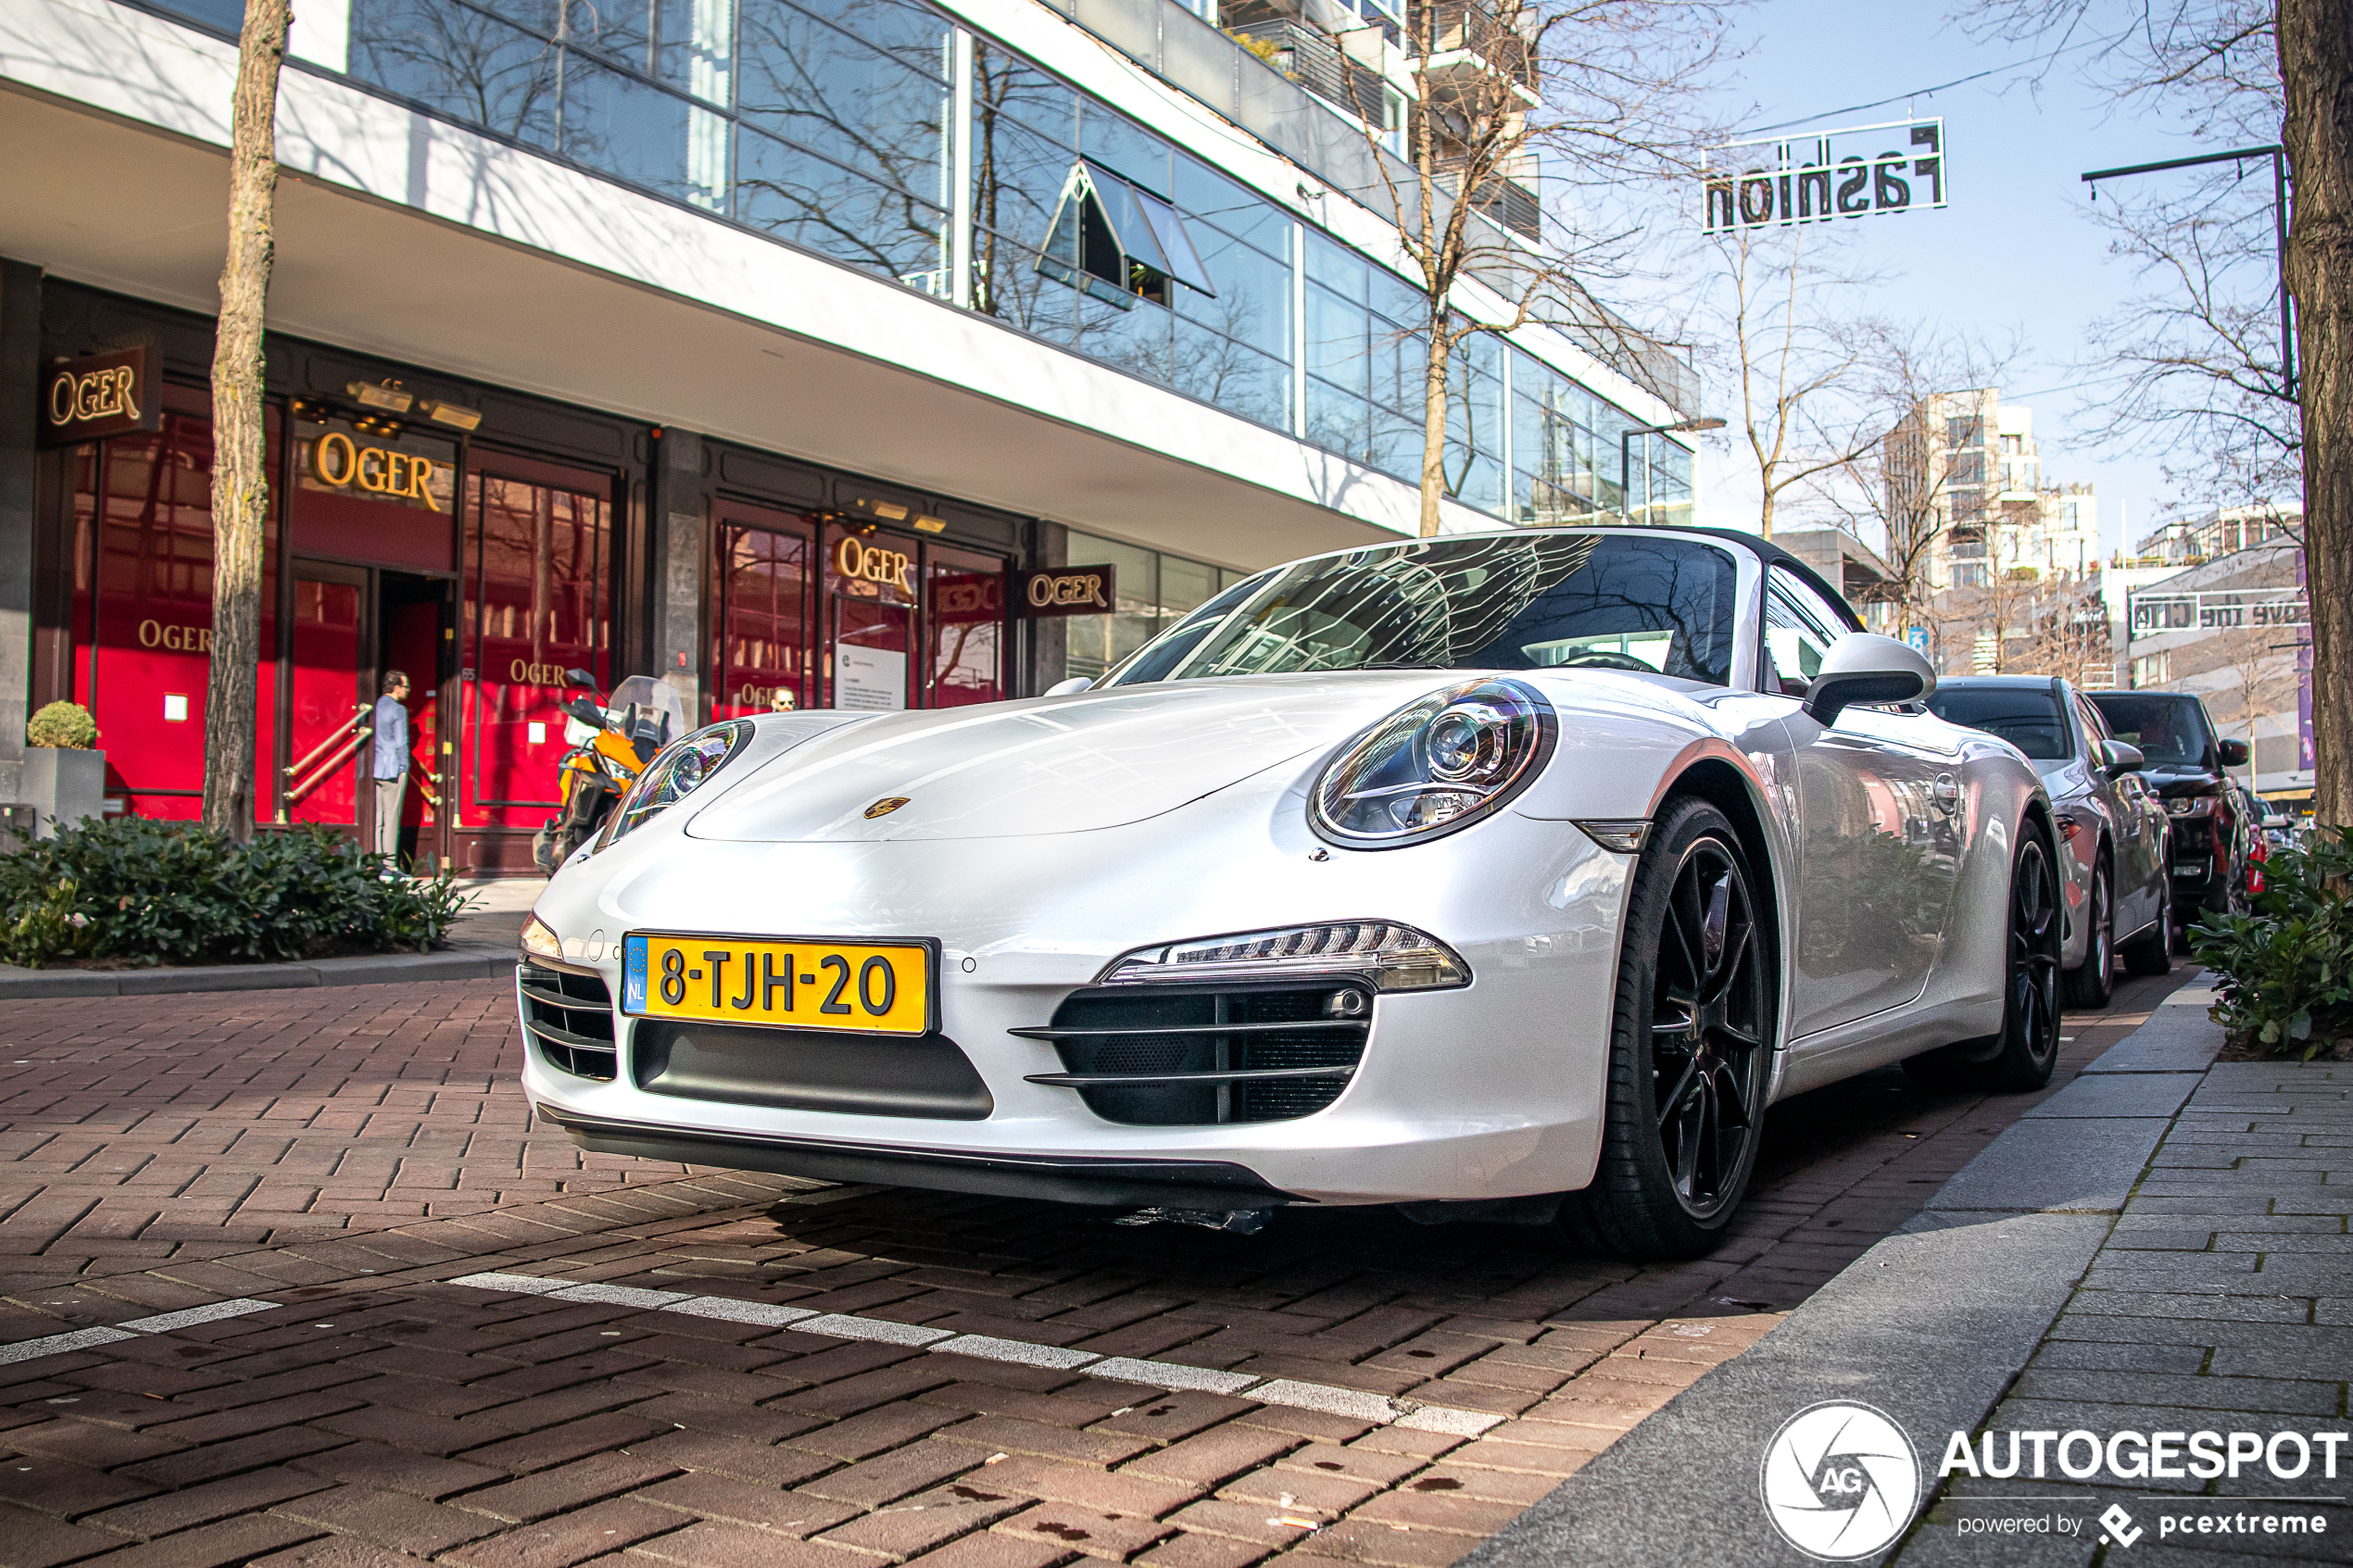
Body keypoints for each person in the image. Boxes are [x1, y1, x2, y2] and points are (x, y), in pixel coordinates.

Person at [371, 670, 411, 866]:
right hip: (393, 769)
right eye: (406, 687)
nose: (409, 690)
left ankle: (377, 861)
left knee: (378, 819)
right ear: (396, 688)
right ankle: (389, 866)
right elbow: (401, 742)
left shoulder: (376, 705)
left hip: (376, 768)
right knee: (392, 820)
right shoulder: (398, 710)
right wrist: (404, 766)